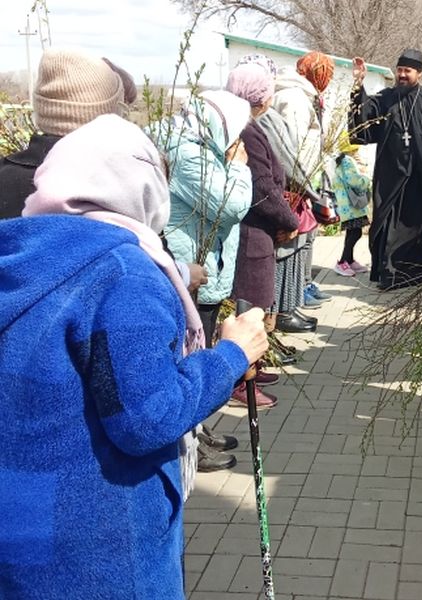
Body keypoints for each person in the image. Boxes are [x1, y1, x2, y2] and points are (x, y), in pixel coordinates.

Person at [0, 114, 268, 599]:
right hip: (99, 545)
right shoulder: (124, 272)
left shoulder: (19, 255)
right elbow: (147, 415)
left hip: (21, 536)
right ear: (142, 188)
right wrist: (231, 355)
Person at [156, 89, 254, 470]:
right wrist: (239, 168)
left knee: (197, 352)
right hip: (188, 269)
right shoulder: (186, 153)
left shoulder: (197, 144)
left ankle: (199, 433)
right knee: (189, 360)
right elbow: (230, 205)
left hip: (198, 265)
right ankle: (192, 446)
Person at [226, 55, 299, 403]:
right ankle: (241, 381)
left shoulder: (249, 124)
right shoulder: (245, 129)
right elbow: (262, 187)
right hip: (254, 230)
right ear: (259, 95)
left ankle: (251, 365)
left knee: (257, 304)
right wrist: (290, 220)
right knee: (251, 307)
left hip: (261, 229)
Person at [350, 48, 422, 290]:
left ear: (419, 73)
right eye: (399, 70)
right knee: (386, 227)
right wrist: (357, 85)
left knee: (421, 226)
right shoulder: (386, 98)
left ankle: (419, 276)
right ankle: (389, 276)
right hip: (390, 177)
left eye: (407, 71)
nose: (402, 75)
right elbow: (363, 121)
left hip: (421, 178)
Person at [0, 49, 129, 219]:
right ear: (111, 113)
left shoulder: (5, 177)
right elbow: (153, 244)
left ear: (40, 107)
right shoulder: (123, 185)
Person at [272, 51, 334, 309]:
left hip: (308, 179)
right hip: (295, 182)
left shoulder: (309, 96)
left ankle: (302, 286)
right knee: (292, 241)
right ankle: (287, 302)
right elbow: (291, 146)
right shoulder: (294, 98)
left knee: (307, 236)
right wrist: (301, 182)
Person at [333, 132, 371, 276]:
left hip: (349, 206)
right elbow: (353, 180)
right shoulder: (347, 161)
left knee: (354, 232)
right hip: (350, 206)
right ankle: (342, 261)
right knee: (354, 233)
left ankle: (349, 260)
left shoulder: (342, 160)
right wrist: (367, 180)